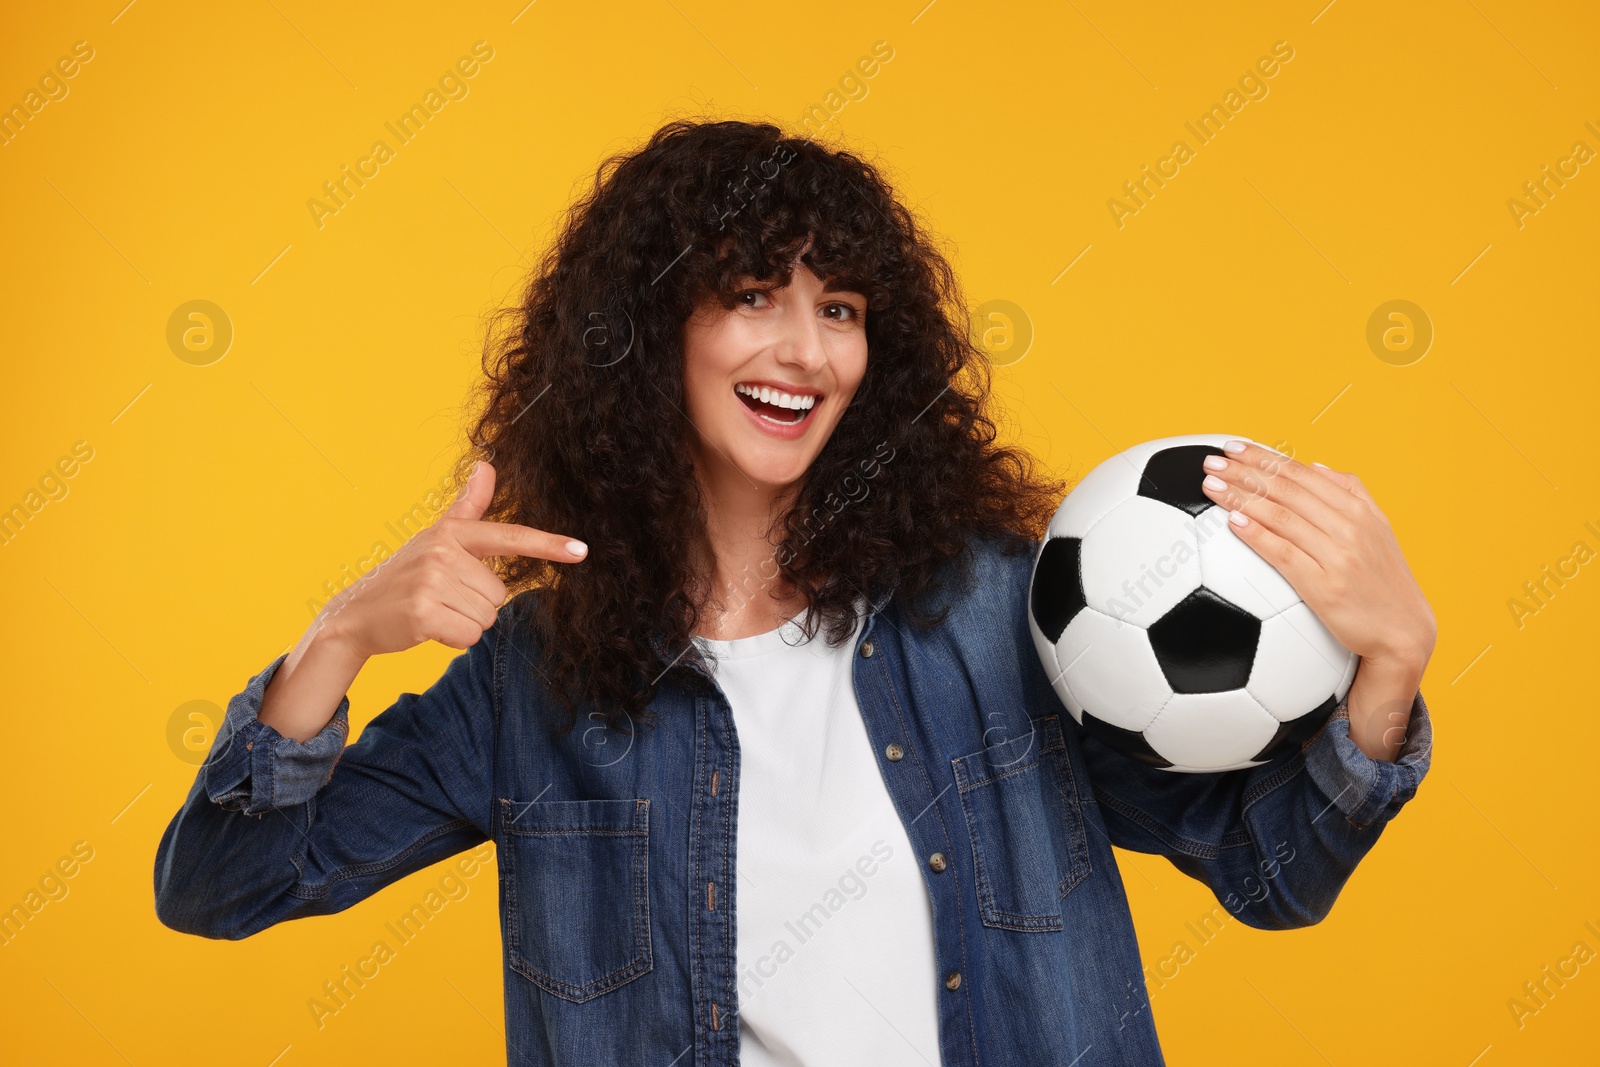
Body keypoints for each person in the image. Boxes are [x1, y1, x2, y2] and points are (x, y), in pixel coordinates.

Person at [152, 119, 1436, 1066]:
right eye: (752, 295)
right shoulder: (534, 683)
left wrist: (1388, 665)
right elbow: (219, 886)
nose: (804, 350)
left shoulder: (1004, 617)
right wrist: (337, 641)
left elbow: (1273, 870)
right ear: (655, 331)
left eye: (841, 307)